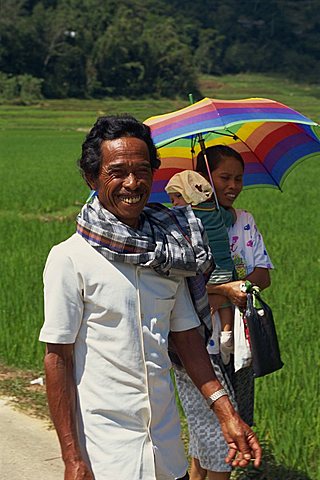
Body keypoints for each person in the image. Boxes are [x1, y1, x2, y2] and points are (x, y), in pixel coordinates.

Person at [39, 117, 262, 480]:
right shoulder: (70, 258)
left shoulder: (169, 251)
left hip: (165, 445)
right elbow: (58, 358)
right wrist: (72, 458)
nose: (132, 183)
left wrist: (227, 415)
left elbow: (188, 340)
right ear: (92, 178)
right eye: (118, 172)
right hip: (105, 451)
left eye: (142, 170)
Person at [174, 145, 273, 480]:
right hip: (194, 342)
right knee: (218, 433)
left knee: (223, 423)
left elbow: (263, 274)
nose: (233, 185)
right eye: (224, 178)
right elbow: (178, 286)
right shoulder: (184, 224)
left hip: (239, 342)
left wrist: (239, 286)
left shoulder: (244, 221)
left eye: (239, 179)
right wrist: (223, 291)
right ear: (203, 179)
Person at [165, 170, 236, 365]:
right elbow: (231, 219)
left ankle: (213, 335)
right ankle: (227, 331)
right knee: (224, 302)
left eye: (178, 196)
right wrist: (228, 212)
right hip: (227, 266)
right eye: (172, 199)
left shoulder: (189, 216)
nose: (175, 203)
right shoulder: (216, 210)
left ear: (190, 194)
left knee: (210, 301)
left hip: (209, 267)